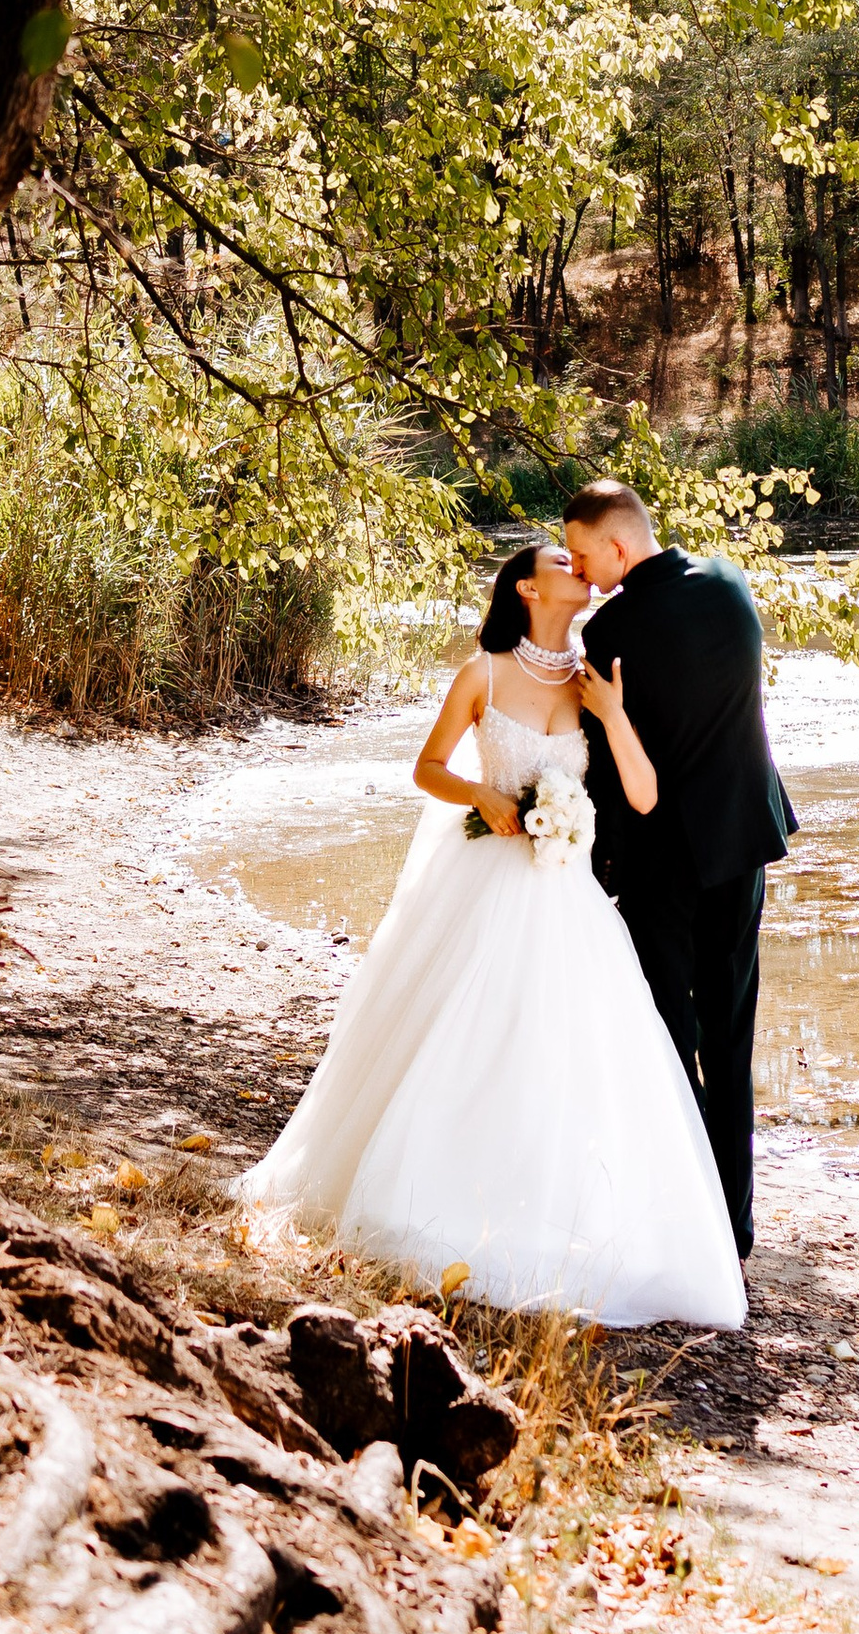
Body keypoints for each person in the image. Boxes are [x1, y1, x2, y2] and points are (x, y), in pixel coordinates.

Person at [234, 541, 744, 1330]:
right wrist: (480, 791)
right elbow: (427, 768)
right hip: (486, 879)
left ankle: (568, 1212)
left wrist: (608, 718)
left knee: (571, 1052)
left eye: (583, 561)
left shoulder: (593, 679)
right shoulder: (484, 672)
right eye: (561, 562)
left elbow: (640, 794)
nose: (580, 570)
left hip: (564, 891)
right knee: (467, 1033)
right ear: (524, 586)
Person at [561, 482, 794, 1262]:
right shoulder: (732, 584)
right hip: (743, 842)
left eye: (586, 555)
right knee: (730, 1040)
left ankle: (690, 1216)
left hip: (664, 867)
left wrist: (585, 867)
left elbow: (603, 771)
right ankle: (736, 1227)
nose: (580, 570)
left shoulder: (612, 629)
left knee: (667, 1037)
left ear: (619, 548)